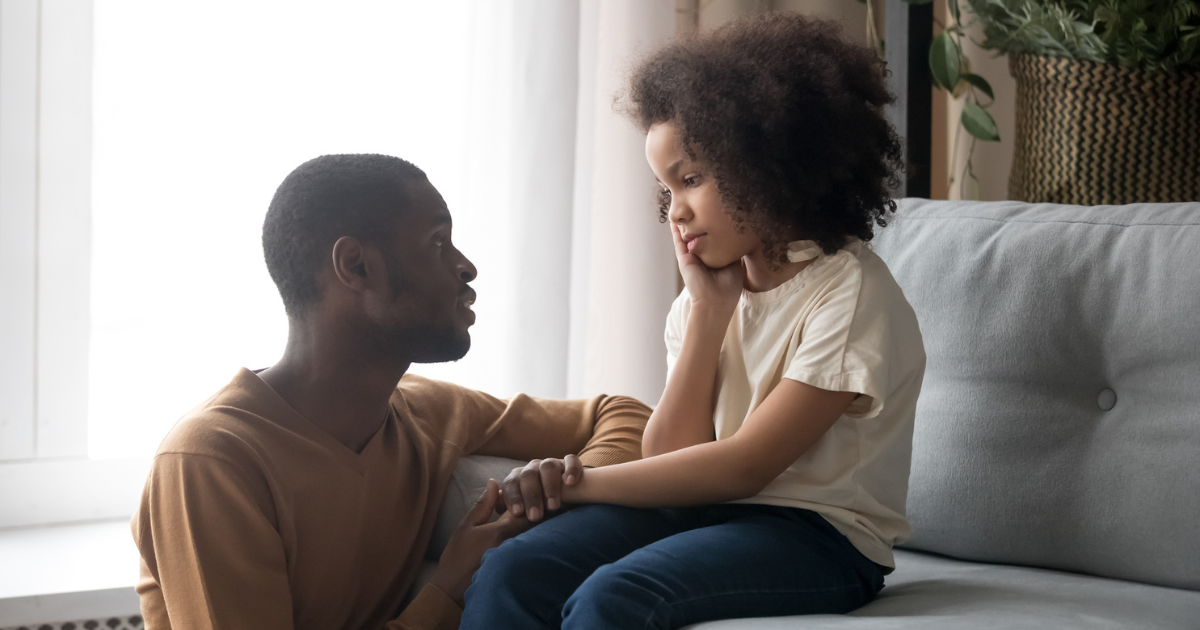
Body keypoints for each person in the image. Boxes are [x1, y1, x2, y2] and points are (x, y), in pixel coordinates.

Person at [462, 12, 926, 630]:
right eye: (665, 189)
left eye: (691, 179)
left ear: (765, 162)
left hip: (820, 538)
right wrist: (708, 315)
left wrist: (581, 482)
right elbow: (673, 452)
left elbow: (745, 465)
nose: (675, 212)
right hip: (706, 510)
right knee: (511, 568)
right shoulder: (703, 300)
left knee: (616, 596)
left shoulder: (849, 294)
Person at [129, 154, 651, 630]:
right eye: (437, 242)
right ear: (355, 266)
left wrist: (572, 484)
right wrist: (448, 590)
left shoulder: (425, 412)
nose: (466, 267)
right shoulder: (211, 461)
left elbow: (623, 413)